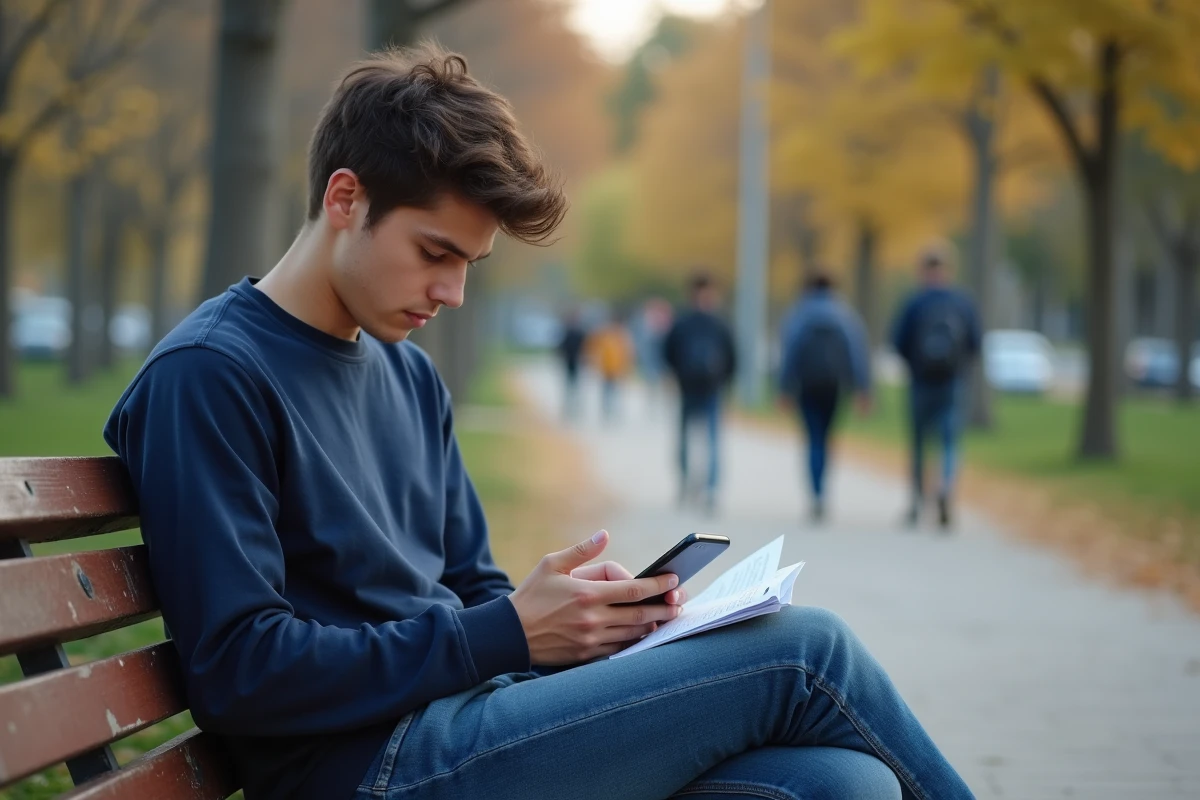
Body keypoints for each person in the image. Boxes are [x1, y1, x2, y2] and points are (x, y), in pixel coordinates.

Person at [105, 45, 972, 800]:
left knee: (843, 784)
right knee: (803, 651)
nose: (453, 292)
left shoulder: (408, 376)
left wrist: (584, 628)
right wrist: (508, 632)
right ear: (344, 197)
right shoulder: (211, 377)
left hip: (464, 728)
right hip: (365, 770)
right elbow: (240, 672)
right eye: (434, 254)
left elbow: (475, 591)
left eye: (472, 264)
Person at [889, 241, 981, 529]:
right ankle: (945, 490)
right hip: (952, 382)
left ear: (921, 271)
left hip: (920, 383)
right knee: (949, 442)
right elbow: (975, 343)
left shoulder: (914, 303)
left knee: (918, 443)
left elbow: (898, 342)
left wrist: (915, 364)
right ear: (947, 270)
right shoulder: (962, 302)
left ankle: (917, 502)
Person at [778, 271, 872, 522]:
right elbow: (856, 353)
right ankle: (824, 489)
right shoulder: (844, 314)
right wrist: (862, 389)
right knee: (828, 437)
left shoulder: (799, 314)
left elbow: (789, 353)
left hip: (806, 385)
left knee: (813, 438)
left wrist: (784, 388)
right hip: (834, 385)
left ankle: (816, 493)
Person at [663, 272, 737, 515]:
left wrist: (674, 375)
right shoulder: (719, 323)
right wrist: (726, 381)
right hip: (709, 388)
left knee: (688, 437)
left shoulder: (682, 323)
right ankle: (708, 488)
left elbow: (668, 353)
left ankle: (690, 483)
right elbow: (733, 356)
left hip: (690, 387)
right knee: (711, 439)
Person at [585, 312, 635, 422]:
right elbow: (594, 348)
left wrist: (627, 366)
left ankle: (613, 410)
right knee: (607, 389)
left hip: (617, 367)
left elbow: (628, 352)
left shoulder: (621, 335)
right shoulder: (605, 333)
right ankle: (607, 409)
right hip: (606, 367)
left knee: (615, 389)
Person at [556, 307, 587, 421]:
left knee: (575, 386)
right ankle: (569, 407)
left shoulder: (579, 332)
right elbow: (561, 347)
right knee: (570, 386)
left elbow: (585, 347)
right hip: (569, 361)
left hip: (577, 361)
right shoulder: (568, 332)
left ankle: (574, 407)